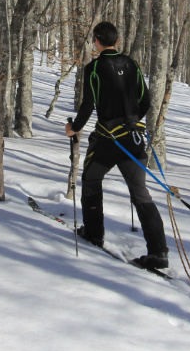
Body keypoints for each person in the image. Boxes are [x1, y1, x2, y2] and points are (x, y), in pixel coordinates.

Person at [64, 21, 169, 269]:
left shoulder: (94, 68)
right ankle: (159, 253)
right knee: (141, 193)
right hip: (133, 137)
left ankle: (93, 233)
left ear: (97, 42)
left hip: (108, 139)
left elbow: (88, 105)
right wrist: (131, 119)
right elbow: (146, 101)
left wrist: (74, 128)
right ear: (117, 41)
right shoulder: (132, 64)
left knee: (91, 179)